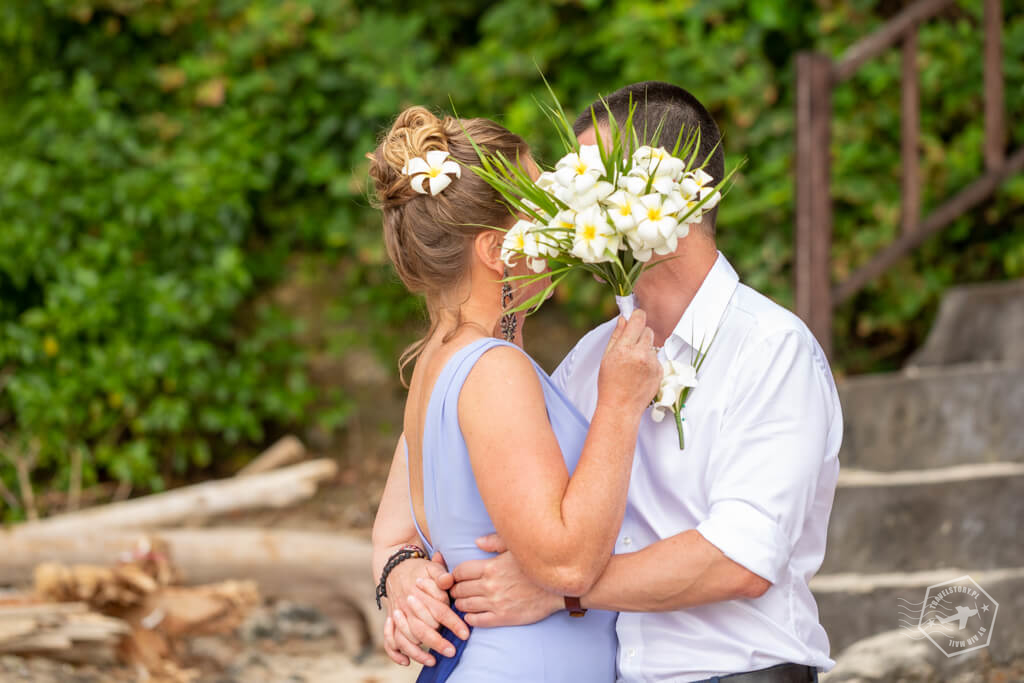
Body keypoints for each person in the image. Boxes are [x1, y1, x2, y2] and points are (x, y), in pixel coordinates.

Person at [376, 83, 843, 683]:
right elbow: (429, 489)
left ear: (674, 192)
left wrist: (564, 592)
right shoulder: (586, 357)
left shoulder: (772, 349)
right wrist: (408, 577)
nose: (566, 208)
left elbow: (741, 560)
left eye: (586, 182)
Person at [367, 105, 663, 682]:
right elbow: (569, 561)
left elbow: (392, 533)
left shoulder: (438, 359)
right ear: (496, 251)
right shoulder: (494, 370)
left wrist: (402, 572)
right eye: (541, 211)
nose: (561, 226)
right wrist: (620, 405)